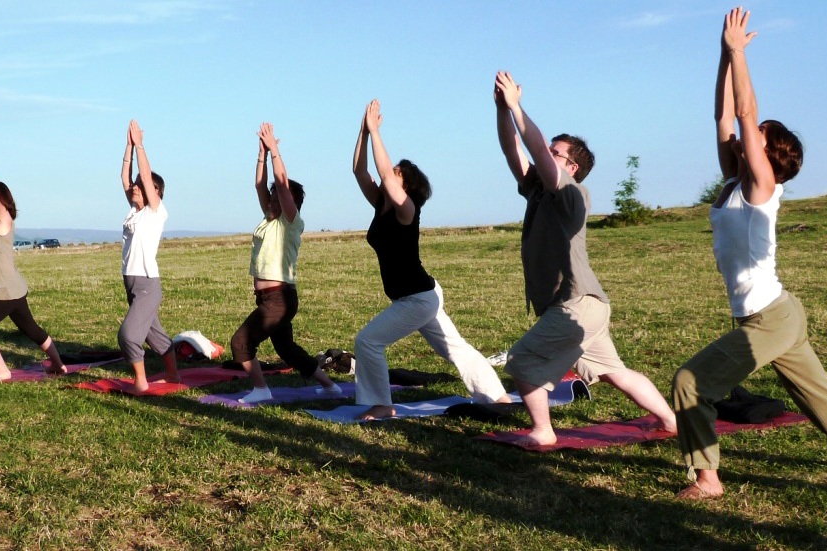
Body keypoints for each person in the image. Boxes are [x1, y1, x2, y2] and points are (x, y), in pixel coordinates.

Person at [670, 7, 827, 499]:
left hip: (768, 317)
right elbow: (726, 115)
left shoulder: (762, 186)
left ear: (768, 152)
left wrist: (739, 54)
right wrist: (724, 57)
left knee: (690, 381)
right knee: (817, 394)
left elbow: (747, 113)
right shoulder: (734, 183)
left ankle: (708, 480)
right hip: (777, 312)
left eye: (760, 136)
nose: (750, 136)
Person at [493, 71, 677, 447]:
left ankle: (543, 432)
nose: (545, 156)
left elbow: (535, 150)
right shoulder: (539, 193)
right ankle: (670, 420)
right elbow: (514, 152)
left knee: (522, 362)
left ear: (571, 167)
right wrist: (501, 111)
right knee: (613, 371)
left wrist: (517, 107)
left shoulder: (572, 195)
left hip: (577, 305)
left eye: (556, 153)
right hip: (586, 305)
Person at [351, 99, 510, 420]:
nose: (388, 174)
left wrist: (376, 131)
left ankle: (382, 404)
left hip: (417, 299)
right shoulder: (381, 205)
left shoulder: (407, 210)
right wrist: (364, 132)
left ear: (406, 186)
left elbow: (381, 169)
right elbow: (359, 169)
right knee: (456, 349)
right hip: (421, 295)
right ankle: (498, 396)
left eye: (396, 174)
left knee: (368, 341)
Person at [230, 123, 341, 403]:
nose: (270, 201)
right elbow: (260, 184)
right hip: (271, 298)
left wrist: (276, 151)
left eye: (277, 198)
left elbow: (281, 183)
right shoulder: (269, 221)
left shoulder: (290, 223)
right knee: (287, 349)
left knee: (241, 343)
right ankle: (331, 387)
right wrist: (261, 154)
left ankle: (261, 390)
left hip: (278, 299)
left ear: (288, 201)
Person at [0, 133, 68, 382]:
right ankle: (59, 365)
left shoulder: (2, 220)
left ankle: (1, 369)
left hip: (5, 290)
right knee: (30, 328)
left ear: (0, 201)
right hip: (13, 287)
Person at [118, 120, 181, 392]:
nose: (135, 187)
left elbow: (144, 176)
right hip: (132, 285)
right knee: (155, 336)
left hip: (147, 285)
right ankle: (174, 376)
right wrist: (128, 147)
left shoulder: (156, 212)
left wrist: (141, 145)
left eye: (142, 186)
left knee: (129, 335)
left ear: (155, 193)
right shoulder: (134, 211)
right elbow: (126, 178)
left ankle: (141, 383)